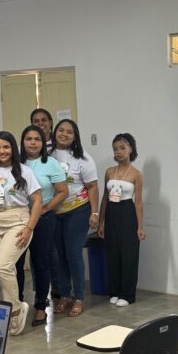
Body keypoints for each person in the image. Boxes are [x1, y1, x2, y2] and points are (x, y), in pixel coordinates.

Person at [0, 131, 42, 335]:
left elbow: (37, 201)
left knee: (1, 267)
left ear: (13, 149)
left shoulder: (24, 171)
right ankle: (11, 313)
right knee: (5, 272)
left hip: (18, 222)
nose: (2, 151)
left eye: (6, 147)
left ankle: (16, 310)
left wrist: (29, 228)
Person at [19, 125, 67, 326]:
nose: (33, 142)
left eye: (37, 139)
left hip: (43, 219)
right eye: (28, 138)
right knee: (16, 263)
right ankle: (17, 304)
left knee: (40, 262)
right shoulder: (16, 163)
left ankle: (40, 307)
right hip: (19, 219)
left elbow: (63, 191)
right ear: (22, 141)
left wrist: (45, 208)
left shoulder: (51, 163)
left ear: (43, 142)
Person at [51, 119, 99, 317]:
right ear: (55, 132)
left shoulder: (83, 158)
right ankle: (65, 296)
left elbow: (92, 186)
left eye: (69, 132)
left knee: (73, 253)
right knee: (60, 254)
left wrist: (95, 212)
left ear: (75, 136)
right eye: (61, 130)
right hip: (54, 212)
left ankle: (78, 297)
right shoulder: (47, 154)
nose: (64, 134)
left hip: (78, 210)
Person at [99, 133, 145, 307]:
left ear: (130, 149)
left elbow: (138, 202)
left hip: (127, 213)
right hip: (111, 212)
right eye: (115, 149)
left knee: (128, 255)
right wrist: (101, 221)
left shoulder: (136, 174)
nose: (118, 152)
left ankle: (127, 294)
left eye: (122, 148)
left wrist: (140, 226)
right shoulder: (109, 172)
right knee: (112, 254)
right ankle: (115, 291)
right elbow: (105, 197)